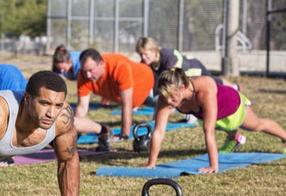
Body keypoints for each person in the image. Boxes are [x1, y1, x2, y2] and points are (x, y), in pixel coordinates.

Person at [145, 69, 286, 173]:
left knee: (256, 125)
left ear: (182, 88)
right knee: (219, 126)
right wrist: (151, 163)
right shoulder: (166, 97)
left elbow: (209, 131)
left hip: (232, 107)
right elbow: (159, 131)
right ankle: (234, 138)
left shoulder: (203, 89)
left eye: (171, 97)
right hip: (214, 117)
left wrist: (213, 165)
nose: (168, 101)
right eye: (165, 97)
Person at [75, 48, 155, 147]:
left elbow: (127, 104)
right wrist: (74, 134)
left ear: (101, 64)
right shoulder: (83, 75)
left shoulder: (119, 66)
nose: (87, 75)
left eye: (91, 70)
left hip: (149, 87)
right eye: (84, 71)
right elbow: (82, 107)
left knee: (170, 103)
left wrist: (124, 134)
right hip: (127, 97)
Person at [135, 36, 241, 95]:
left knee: (213, 83)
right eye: (141, 54)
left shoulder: (167, 55)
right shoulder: (146, 64)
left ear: (154, 51)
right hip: (185, 78)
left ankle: (236, 89)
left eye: (145, 54)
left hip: (194, 69)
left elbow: (173, 80)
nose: (143, 57)